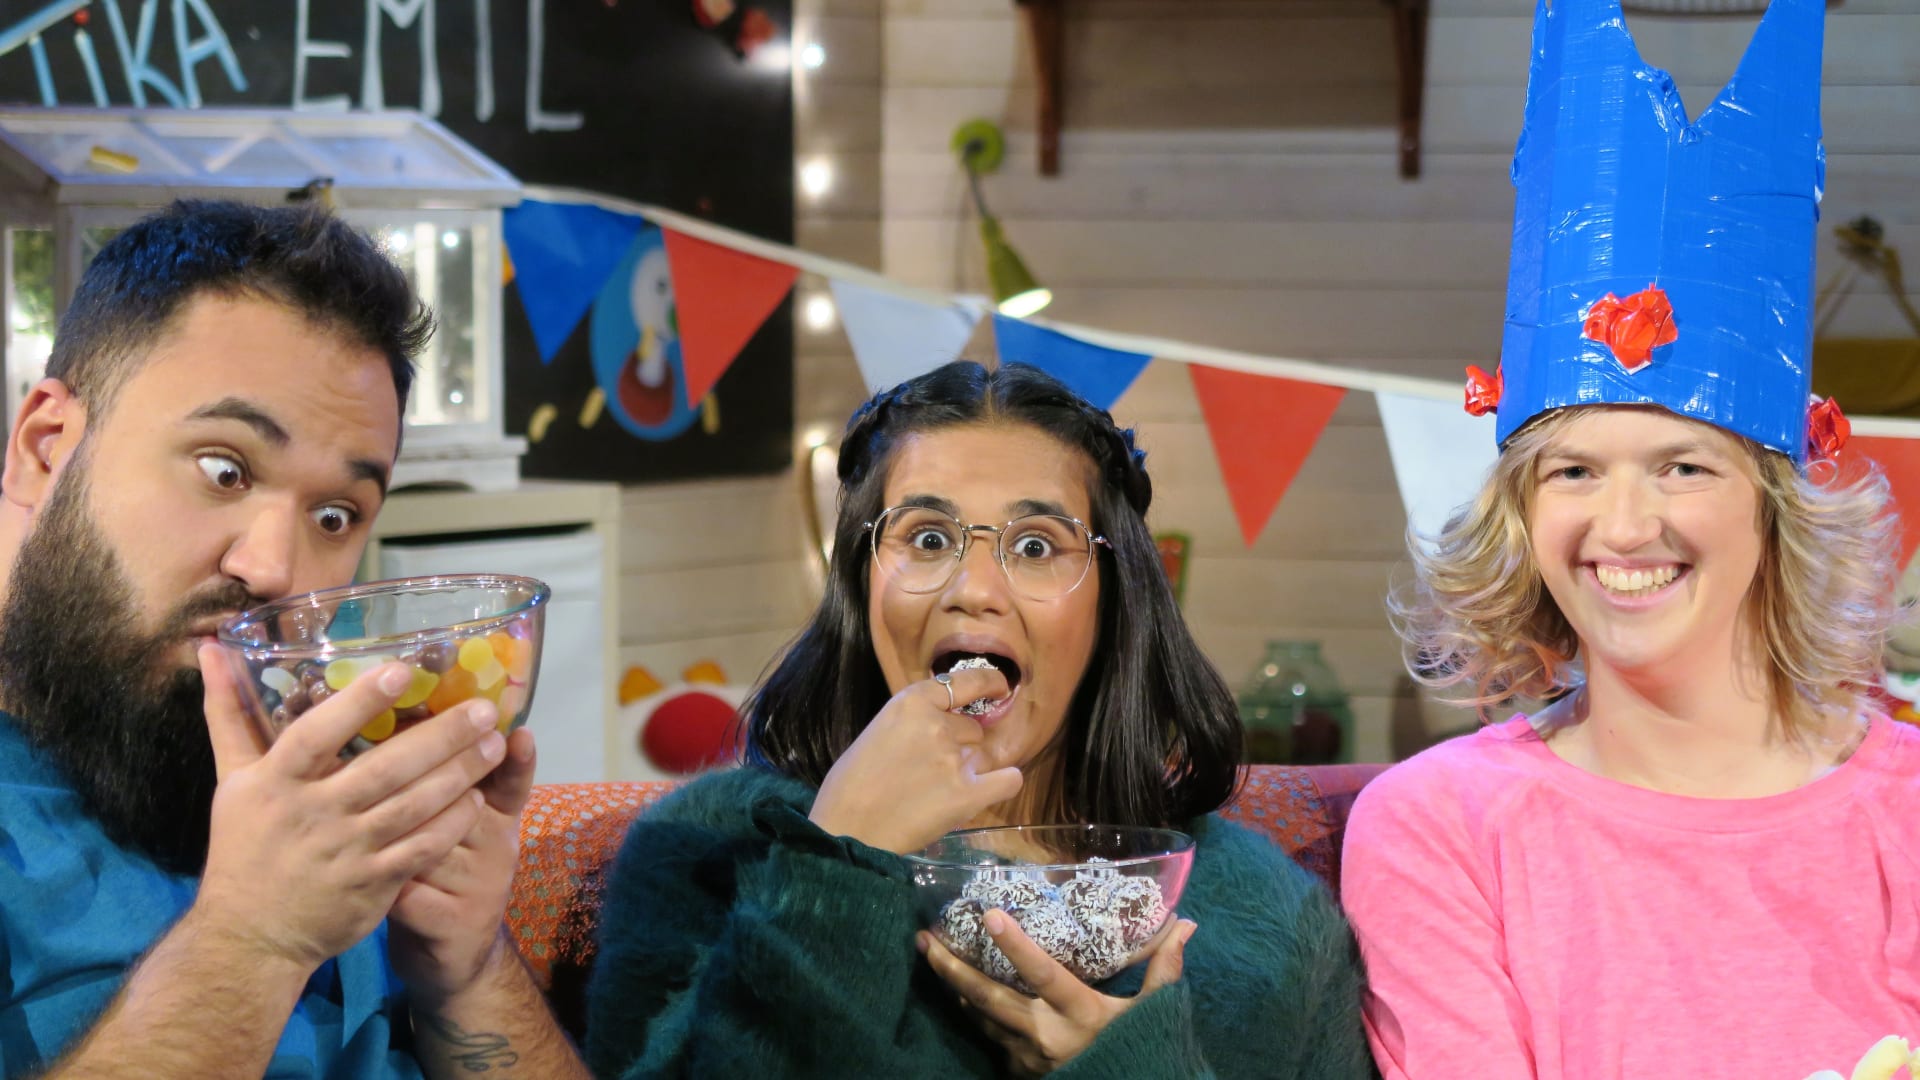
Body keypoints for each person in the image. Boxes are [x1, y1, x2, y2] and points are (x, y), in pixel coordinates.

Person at [1340, 0, 1920, 1075]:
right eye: (1573, 472)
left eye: (1683, 466)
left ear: (1775, 506)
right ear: (1520, 512)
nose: (1621, 527)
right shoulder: (1441, 826)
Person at [583, 361, 1373, 1078]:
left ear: (1114, 601)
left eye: (1036, 547)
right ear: (861, 583)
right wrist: (834, 864)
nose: (976, 590)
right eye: (928, 538)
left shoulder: (1270, 921)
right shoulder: (707, 847)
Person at [0, 200, 588, 1079]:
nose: (275, 569)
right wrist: (254, 940)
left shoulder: (322, 760)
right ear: (46, 448)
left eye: (334, 515)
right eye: (224, 469)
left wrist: (464, 968)